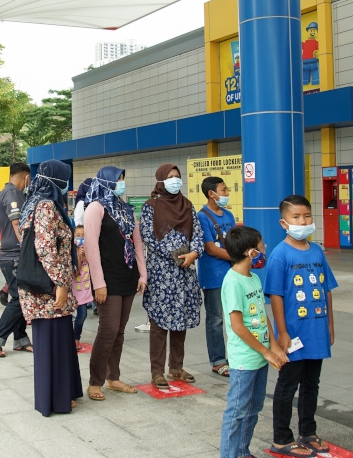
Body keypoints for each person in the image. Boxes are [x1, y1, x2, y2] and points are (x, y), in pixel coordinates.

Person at [265, 194, 338, 458]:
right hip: (293, 333)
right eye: (296, 217)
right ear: (283, 222)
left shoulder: (317, 251)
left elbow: (326, 290)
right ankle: (282, 437)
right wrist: (282, 332)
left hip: (316, 331)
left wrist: (330, 325)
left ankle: (308, 431)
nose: (303, 221)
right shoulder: (279, 254)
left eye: (307, 216)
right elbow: (275, 296)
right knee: (288, 384)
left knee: (311, 383)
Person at [219, 226, 286, 458]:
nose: (264, 250)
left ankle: (243, 451)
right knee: (236, 411)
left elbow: (261, 315)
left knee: (254, 406)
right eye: (261, 246)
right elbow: (238, 327)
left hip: (259, 356)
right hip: (244, 360)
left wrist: (274, 345)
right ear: (251, 252)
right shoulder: (233, 282)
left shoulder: (254, 278)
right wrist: (265, 352)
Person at [18, 160, 83, 416]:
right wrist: (60, 284)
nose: (66, 184)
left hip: (49, 285)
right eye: (64, 179)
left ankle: (63, 393)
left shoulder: (38, 202)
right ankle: (55, 399)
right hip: (48, 288)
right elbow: (45, 248)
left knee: (59, 338)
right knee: (52, 341)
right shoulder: (45, 205)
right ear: (56, 180)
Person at [83, 166, 147, 400]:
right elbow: (91, 247)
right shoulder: (96, 208)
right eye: (117, 180)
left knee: (119, 331)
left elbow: (137, 243)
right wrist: (98, 283)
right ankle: (95, 382)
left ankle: (113, 378)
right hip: (106, 278)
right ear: (106, 182)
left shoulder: (126, 209)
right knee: (108, 330)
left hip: (128, 275)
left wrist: (143, 275)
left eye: (122, 179)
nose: (121, 183)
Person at [139, 164, 204, 389]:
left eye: (177, 176)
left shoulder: (187, 205)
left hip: (184, 271)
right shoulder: (151, 206)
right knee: (159, 322)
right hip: (161, 273)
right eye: (170, 177)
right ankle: (157, 371)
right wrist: (177, 254)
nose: (175, 180)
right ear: (160, 180)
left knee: (180, 320)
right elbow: (148, 236)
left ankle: (176, 367)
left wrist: (194, 253)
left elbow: (198, 233)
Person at [0, 163, 33, 356]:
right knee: (20, 298)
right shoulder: (13, 193)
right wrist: (26, 248)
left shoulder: (10, 192)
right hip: (14, 255)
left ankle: (20, 339)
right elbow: (16, 223)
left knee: (21, 297)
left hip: (12, 254)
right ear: (26, 176)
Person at [198, 176, 238, 377]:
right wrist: (238, 256)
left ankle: (236, 357)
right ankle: (218, 360)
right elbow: (210, 249)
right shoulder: (202, 217)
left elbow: (235, 241)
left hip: (232, 273)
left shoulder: (228, 215)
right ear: (211, 193)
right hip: (213, 276)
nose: (227, 193)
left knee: (234, 316)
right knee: (216, 319)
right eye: (223, 190)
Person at [72, 225, 93, 347]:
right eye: (78, 236)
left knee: (83, 314)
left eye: (84, 236)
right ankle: (74, 338)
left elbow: (93, 267)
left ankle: (76, 338)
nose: (81, 238)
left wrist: (84, 256)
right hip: (76, 291)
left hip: (88, 290)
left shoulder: (90, 250)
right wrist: (79, 257)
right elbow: (75, 272)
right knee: (79, 315)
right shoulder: (71, 252)